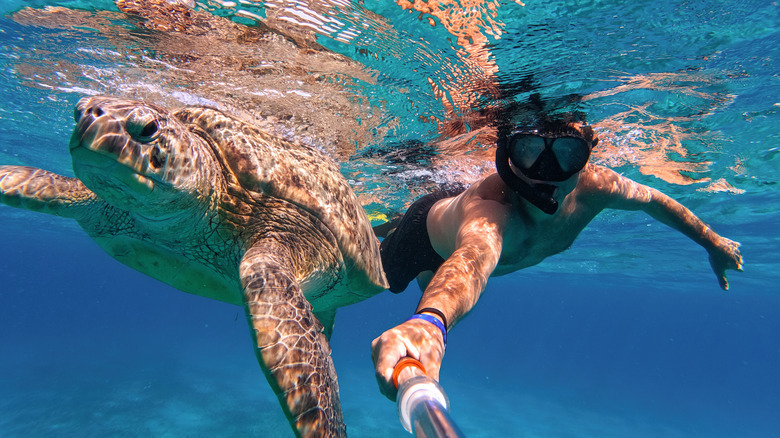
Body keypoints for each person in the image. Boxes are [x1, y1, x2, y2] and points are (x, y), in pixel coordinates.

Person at [371, 116, 743, 401]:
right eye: (529, 152)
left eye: (566, 154)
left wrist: (712, 243)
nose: (545, 174)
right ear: (508, 155)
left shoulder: (596, 187)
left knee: (423, 281)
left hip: (448, 240)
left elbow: (656, 201)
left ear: (586, 156)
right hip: (424, 236)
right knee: (367, 280)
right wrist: (431, 323)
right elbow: (473, 257)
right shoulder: (493, 207)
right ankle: (393, 224)